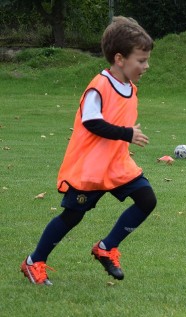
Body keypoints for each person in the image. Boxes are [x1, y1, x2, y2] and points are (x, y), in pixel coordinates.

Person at [20, 16, 156, 285]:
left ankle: (106, 247)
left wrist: (126, 135)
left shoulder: (130, 88)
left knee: (146, 200)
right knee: (72, 216)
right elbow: (92, 122)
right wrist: (127, 133)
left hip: (117, 166)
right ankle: (34, 261)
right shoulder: (99, 86)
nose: (146, 66)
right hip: (90, 169)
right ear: (120, 59)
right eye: (141, 60)